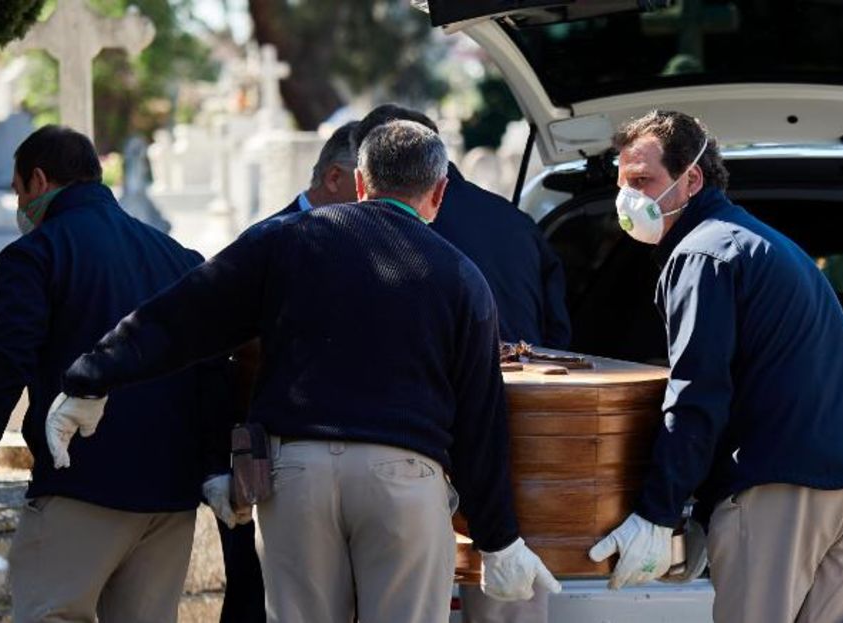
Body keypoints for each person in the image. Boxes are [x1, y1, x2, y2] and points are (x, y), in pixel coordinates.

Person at [45, 120, 561, 622]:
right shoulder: (461, 277)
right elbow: (480, 420)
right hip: (404, 478)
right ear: (440, 191)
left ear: (360, 181)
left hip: (296, 473)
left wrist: (92, 377)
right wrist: (498, 539)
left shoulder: (287, 239)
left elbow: (184, 316)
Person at [589, 110, 843, 623]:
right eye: (623, 184)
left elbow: (697, 394)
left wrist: (657, 513)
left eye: (643, 181)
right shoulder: (752, 242)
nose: (629, 199)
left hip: (785, 485)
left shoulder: (702, 255)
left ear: (692, 179)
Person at [0, 125, 234, 622]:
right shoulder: (178, 257)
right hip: (170, 495)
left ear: (37, 180)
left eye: (17, 192)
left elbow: (5, 357)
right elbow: (211, 367)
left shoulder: (35, 255)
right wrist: (212, 467)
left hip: (81, 485)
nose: (19, 206)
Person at [354, 104, 570, 622]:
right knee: (508, 599)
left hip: (409, 442)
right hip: (518, 436)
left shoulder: (365, 233)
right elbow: (560, 343)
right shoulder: (516, 225)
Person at [213, 119, 362, 623]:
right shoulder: (267, 240)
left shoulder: (369, 240)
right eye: (368, 182)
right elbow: (224, 350)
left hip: (348, 456)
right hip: (266, 451)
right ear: (337, 179)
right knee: (256, 596)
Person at [356, 104, 571, 349]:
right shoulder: (517, 221)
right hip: (536, 378)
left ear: (365, 172)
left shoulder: (386, 234)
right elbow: (558, 330)